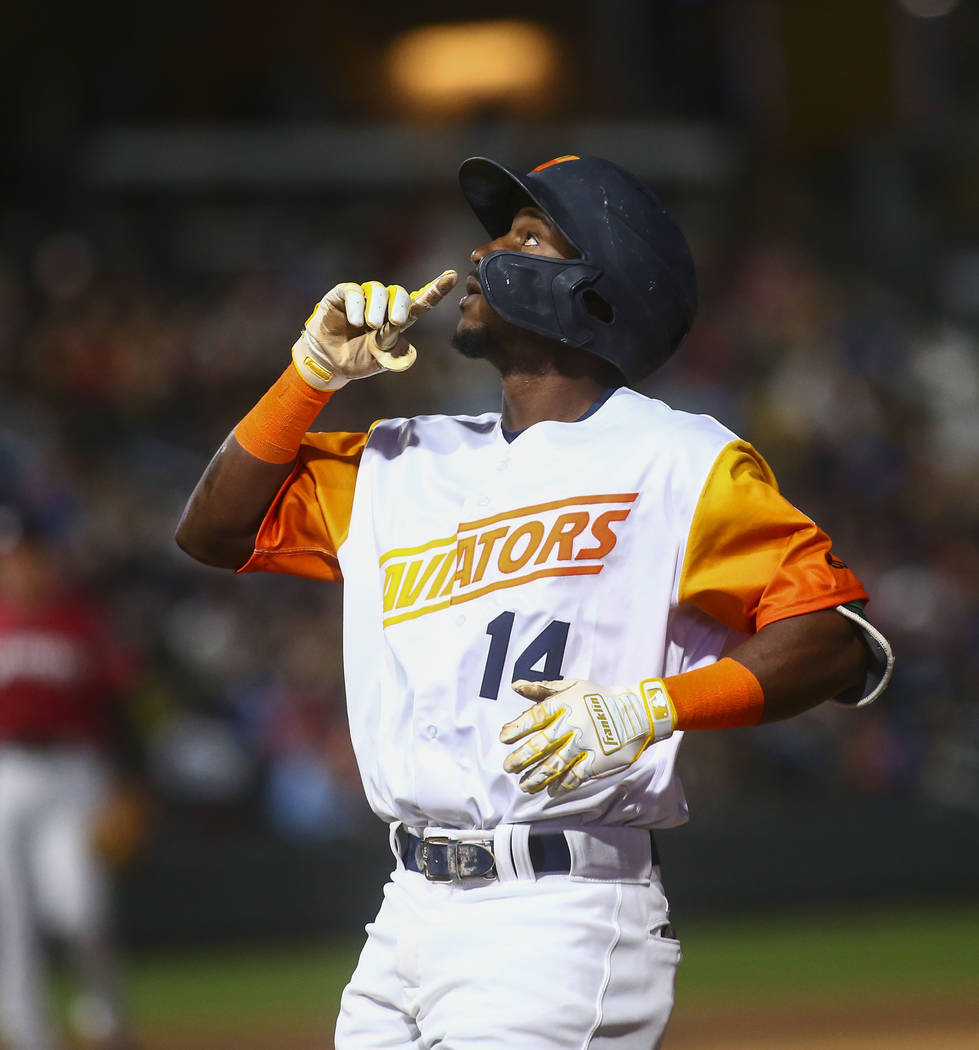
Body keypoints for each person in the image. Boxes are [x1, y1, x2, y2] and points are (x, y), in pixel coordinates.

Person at [176, 154, 893, 1049]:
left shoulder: (678, 459)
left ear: (596, 290)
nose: (482, 254)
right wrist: (310, 374)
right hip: (404, 911)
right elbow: (213, 533)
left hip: (562, 912)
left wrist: (651, 707)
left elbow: (834, 643)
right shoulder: (403, 457)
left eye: (524, 236)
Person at [0, 506, 142, 1050]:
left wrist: (131, 784)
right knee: (10, 919)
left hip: (74, 773)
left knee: (80, 906)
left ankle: (105, 1013)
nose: (22, 567)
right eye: (13, 558)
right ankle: (29, 1036)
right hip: (7, 774)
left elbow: (122, 707)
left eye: (29, 556)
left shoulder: (80, 620)